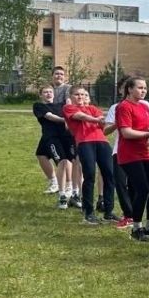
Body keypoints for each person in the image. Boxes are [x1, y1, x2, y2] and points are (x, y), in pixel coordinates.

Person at [115, 76, 149, 242]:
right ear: (129, 89)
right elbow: (126, 133)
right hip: (129, 155)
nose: (143, 90)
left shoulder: (144, 106)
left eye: (145, 88)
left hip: (144, 152)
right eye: (139, 87)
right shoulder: (124, 107)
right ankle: (136, 228)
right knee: (142, 189)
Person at [62, 87, 117, 225]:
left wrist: (113, 123)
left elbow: (103, 125)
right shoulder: (69, 108)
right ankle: (88, 212)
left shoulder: (93, 108)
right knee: (90, 175)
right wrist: (95, 119)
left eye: (83, 94)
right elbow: (81, 117)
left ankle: (108, 212)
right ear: (71, 96)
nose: (80, 97)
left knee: (109, 175)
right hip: (85, 142)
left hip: (102, 142)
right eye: (77, 94)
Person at [102, 79, 136, 230]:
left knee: (137, 184)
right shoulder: (115, 107)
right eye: (123, 87)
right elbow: (106, 131)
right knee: (121, 183)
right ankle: (128, 215)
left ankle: (137, 214)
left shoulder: (144, 106)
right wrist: (118, 122)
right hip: (119, 150)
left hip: (139, 151)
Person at [50, 65, 81, 209]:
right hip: (53, 131)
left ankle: (71, 188)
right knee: (61, 158)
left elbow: (69, 103)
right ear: (52, 76)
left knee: (71, 159)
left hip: (67, 129)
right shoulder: (50, 89)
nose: (59, 76)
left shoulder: (68, 89)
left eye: (61, 74)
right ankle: (62, 187)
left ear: (65, 76)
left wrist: (68, 121)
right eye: (56, 74)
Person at [32, 85, 73, 195]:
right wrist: (65, 120)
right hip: (49, 136)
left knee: (64, 159)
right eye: (45, 92)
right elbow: (49, 116)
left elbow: (70, 103)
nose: (49, 94)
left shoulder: (61, 105)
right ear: (41, 95)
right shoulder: (38, 106)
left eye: (50, 91)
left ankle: (69, 185)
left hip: (63, 136)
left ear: (54, 94)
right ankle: (53, 182)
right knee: (41, 155)